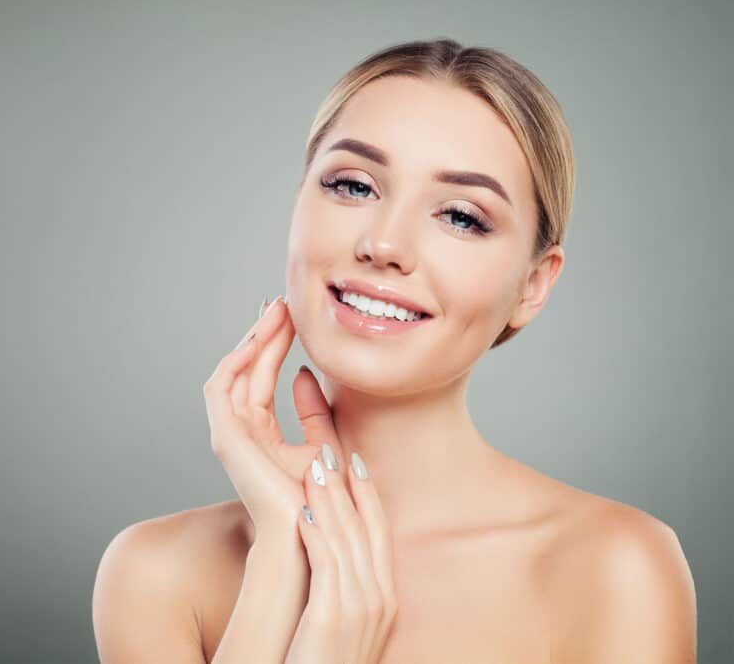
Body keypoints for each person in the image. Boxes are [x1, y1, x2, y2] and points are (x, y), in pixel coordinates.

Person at [92, 38, 697, 663]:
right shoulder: (156, 575)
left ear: (533, 284)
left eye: (462, 217)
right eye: (353, 185)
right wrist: (279, 562)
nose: (384, 244)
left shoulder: (614, 569)